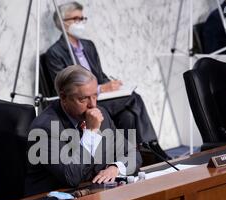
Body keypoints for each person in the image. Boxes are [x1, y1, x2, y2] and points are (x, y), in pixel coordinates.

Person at [44, 1, 169, 161]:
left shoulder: (88, 46)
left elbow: (99, 76)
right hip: (84, 101)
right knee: (134, 99)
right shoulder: (54, 53)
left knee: (128, 116)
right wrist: (101, 89)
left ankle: (134, 156)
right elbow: (65, 88)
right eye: (76, 18)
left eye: (83, 18)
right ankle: (151, 146)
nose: (81, 22)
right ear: (62, 23)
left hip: (102, 98)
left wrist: (112, 85)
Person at [24, 65, 142, 196]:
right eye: (83, 99)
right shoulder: (45, 128)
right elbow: (71, 177)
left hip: (90, 194)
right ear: (63, 97)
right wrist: (91, 132)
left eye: (95, 96)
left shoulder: (101, 114)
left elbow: (132, 153)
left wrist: (116, 168)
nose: (93, 105)